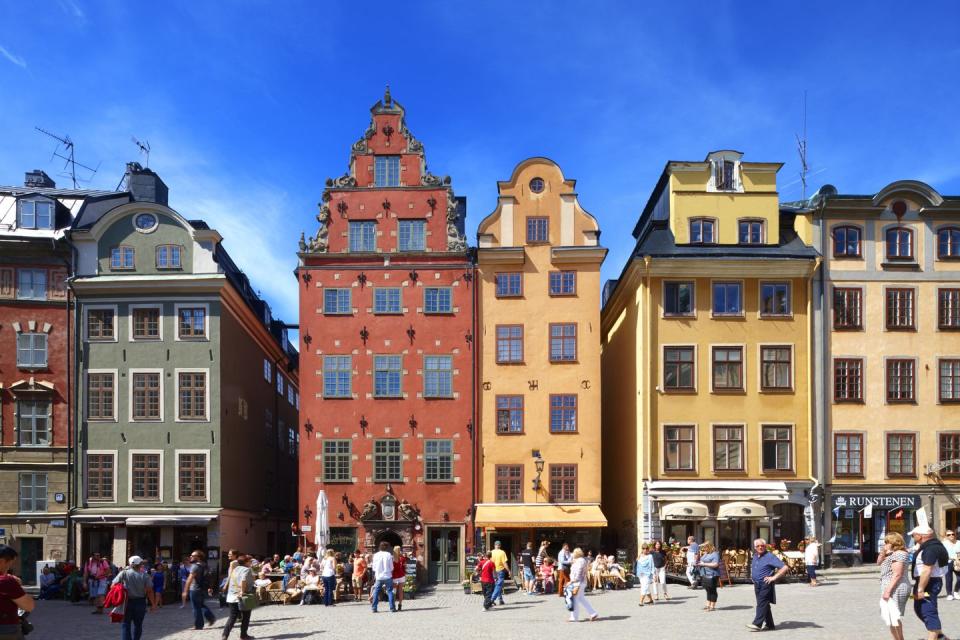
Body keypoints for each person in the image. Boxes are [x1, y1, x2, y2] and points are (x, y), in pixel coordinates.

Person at [909, 524, 949, 640]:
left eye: (913, 535)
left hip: (928, 583)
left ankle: (934, 636)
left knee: (928, 611)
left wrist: (921, 589)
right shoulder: (931, 545)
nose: (912, 537)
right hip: (925, 582)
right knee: (919, 608)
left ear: (921, 536)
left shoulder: (930, 548)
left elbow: (927, 569)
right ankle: (941, 636)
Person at [746, 538, 789, 632]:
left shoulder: (770, 556)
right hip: (757, 584)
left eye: (762, 546)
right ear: (755, 547)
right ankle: (770, 625)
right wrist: (753, 577)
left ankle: (757, 624)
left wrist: (773, 578)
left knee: (762, 603)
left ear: (765, 546)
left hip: (766, 583)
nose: (760, 547)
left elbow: (784, 567)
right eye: (758, 546)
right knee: (764, 604)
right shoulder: (755, 555)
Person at [113, 556, 156, 640]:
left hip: (127, 602)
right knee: (138, 625)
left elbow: (113, 585)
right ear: (140, 564)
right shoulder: (145, 575)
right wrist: (153, 604)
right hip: (140, 602)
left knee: (126, 624)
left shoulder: (124, 573)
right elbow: (150, 591)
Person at [878, 532, 911, 640]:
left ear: (894, 542)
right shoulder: (891, 553)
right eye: (885, 542)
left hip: (896, 587)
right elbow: (878, 563)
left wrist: (887, 591)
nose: (885, 544)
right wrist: (883, 552)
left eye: (887, 542)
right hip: (889, 586)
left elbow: (897, 574)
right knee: (890, 616)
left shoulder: (899, 554)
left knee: (893, 616)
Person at [0, 545, 35, 640]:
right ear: (2, 561)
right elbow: (29, 606)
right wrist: (18, 586)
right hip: (6, 629)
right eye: (11, 563)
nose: (10, 567)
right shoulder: (6, 581)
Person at [222, 554, 254, 640]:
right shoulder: (247, 570)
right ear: (246, 562)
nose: (251, 563)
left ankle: (225, 635)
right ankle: (243, 635)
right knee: (246, 616)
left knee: (232, 617)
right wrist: (243, 591)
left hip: (231, 596)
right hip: (241, 596)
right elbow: (243, 580)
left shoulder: (235, 569)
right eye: (250, 561)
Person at [182, 550, 216, 629]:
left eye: (192, 556)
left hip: (195, 589)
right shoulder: (205, 565)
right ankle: (211, 617)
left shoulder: (195, 566)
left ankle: (199, 625)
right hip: (202, 589)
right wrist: (210, 587)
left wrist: (185, 591)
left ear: (198, 557)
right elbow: (209, 577)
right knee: (201, 605)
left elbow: (190, 579)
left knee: (196, 607)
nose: (190, 557)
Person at [567, 547, 599, 622]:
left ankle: (574, 617)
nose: (573, 554)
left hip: (578, 582)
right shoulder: (581, 560)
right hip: (581, 582)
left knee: (575, 599)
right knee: (581, 599)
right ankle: (593, 613)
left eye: (574, 553)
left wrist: (572, 581)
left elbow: (578, 572)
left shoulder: (580, 561)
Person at [370, 541, 395, 613]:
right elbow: (391, 567)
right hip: (387, 576)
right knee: (390, 591)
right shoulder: (388, 554)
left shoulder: (376, 555)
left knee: (376, 592)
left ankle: (374, 608)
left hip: (379, 576)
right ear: (387, 547)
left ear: (379, 547)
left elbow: (374, 567)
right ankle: (392, 608)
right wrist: (389, 570)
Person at [698, 541, 720, 612]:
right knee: (708, 589)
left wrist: (704, 564)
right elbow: (701, 561)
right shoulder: (706, 553)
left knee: (712, 590)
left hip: (712, 574)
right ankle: (708, 604)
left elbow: (715, 564)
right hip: (705, 574)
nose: (704, 549)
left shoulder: (715, 554)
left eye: (705, 548)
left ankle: (712, 606)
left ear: (709, 547)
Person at [489, 541, 509, 606]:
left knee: (497, 585)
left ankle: (500, 600)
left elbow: (489, 562)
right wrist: (509, 570)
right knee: (499, 585)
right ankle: (492, 599)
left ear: (494, 545)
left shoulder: (491, 552)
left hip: (493, 571)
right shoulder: (502, 552)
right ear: (500, 545)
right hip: (500, 570)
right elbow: (504, 563)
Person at [942, 530, 960, 600]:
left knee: (959, 578)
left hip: (958, 562)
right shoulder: (944, 544)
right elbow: (942, 554)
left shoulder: (959, 542)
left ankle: (956, 592)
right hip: (948, 562)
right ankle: (949, 594)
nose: (951, 536)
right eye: (949, 535)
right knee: (949, 579)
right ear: (946, 536)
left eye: (953, 534)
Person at [391, 547, 406, 611]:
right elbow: (404, 567)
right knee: (400, 591)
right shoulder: (402, 558)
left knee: (394, 591)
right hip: (401, 575)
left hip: (394, 576)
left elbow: (391, 568)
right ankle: (400, 604)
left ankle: (393, 605)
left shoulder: (392, 559)